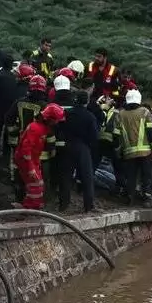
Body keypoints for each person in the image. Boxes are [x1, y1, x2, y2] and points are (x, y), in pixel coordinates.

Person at [53, 79, 99, 213]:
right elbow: (94, 136)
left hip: (67, 145)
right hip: (83, 147)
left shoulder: (66, 114)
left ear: (75, 100)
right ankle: (88, 206)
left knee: (65, 176)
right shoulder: (90, 116)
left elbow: (59, 128)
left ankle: (63, 204)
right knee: (87, 177)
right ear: (86, 102)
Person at [4, 73, 51, 202]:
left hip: (23, 143)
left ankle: (20, 198)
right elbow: (51, 129)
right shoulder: (45, 106)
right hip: (40, 147)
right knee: (38, 175)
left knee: (21, 172)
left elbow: (8, 119)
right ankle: (37, 201)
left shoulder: (19, 102)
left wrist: (15, 133)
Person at [111, 88, 152, 205]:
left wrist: (118, 150)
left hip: (129, 152)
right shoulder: (144, 112)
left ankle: (130, 197)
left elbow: (116, 135)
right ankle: (147, 197)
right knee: (146, 175)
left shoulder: (120, 114)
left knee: (131, 176)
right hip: (145, 151)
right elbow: (151, 131)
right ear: (139, 100)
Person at [13, 103, 65, 210]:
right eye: (55, 120)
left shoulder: (42, 128)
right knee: (35, 183)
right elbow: (26, 149)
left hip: (32, 159)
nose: (56, 123)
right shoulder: (36, 128)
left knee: (37, 183)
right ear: (49, 119)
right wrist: (31, 168)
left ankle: (32, 205)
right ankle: (29, 207)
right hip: (25, 159)